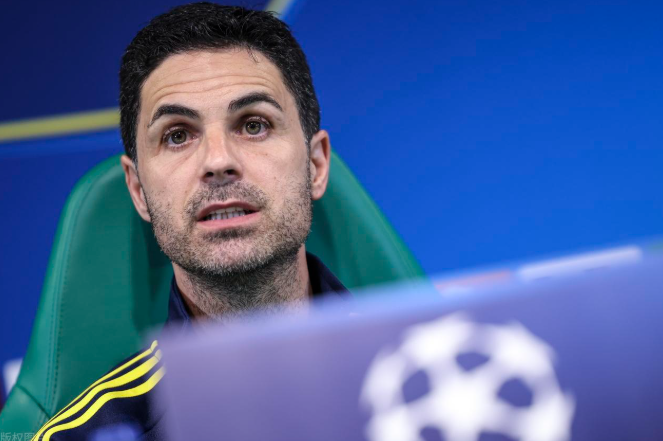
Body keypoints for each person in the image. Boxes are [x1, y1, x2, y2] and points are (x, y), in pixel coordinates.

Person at [31, 3, 349, 440]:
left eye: (253, 125)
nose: (218, 161)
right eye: (177, 135)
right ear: (138, 189)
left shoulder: (441, 368)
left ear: (315, 165)